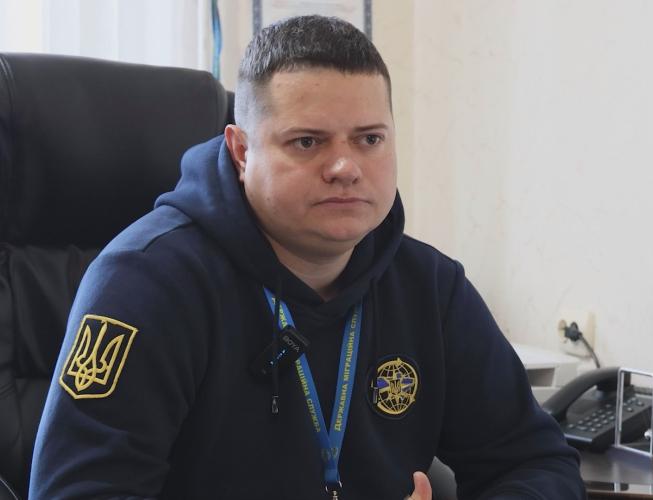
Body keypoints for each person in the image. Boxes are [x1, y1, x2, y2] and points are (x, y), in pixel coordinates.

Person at [29, 15, 586, 500]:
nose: (345, 167)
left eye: (369, 139)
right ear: (241, 152)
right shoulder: (145, 284)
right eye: (308, 142)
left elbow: (536, 462)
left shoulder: (430, 286)